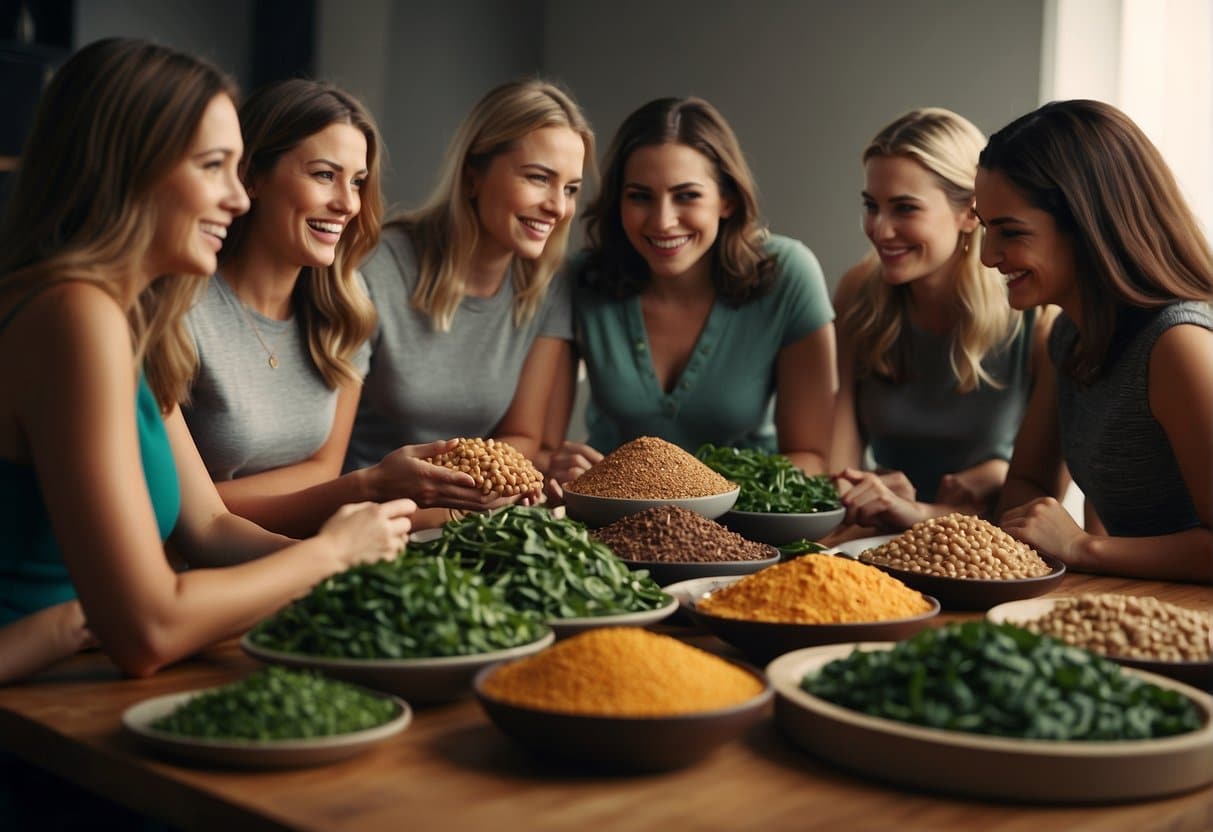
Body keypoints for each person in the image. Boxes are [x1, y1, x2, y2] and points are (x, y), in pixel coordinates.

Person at [0, 38, 415, 681]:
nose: (239, 198)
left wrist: (364, 567)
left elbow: (210, 526)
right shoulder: (73, 315)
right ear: (129, 167)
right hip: (40, 716)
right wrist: (327, 558)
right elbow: (148, 630)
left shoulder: (126, 313)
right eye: (214, 166)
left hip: (75, 674)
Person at [183, 80, 501, 538]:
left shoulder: (345, 304)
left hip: (322, 555)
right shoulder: (184, 308)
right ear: (252, 175)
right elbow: (184, 510)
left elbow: (323, 468)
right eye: (323, 175)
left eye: (357, 182)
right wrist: (368, 487)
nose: (347, 203)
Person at [978, 100, 1213, 582]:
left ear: (1088, 227)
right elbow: (1029, 482)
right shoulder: (1066, 335)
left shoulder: (1178, 345)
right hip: (1137, 607)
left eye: (1010, 232)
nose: (986, 256)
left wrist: (1085, 547)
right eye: (984, 228)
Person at [548, 96, 836, 489]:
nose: (663, 221)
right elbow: (546, 448)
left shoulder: (788, 274)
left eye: (687, 195)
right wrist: (564, 467)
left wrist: (699, 493)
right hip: (611, 518)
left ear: (727, 200)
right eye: (640, 196)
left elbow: (813, 456)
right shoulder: (582, 280)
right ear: (618, 202)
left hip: (750, 521)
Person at [344, 79, 592, 524]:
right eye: (538, 178)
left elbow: (522, 436)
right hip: (366, 520)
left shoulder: (549, 284)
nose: (558, 206)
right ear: (473, 176)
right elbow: (326, 459)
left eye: (571, 188)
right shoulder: (375, 266)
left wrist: (459, 504)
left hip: (467, 521)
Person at [827, 108, 1055, 537]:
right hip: (874, 537)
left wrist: (926, 511)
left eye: (905, 209)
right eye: (871, 207)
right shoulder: (858, 291)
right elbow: (838, 469)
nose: (880, 229)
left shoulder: (1037, 316)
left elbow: (1033, 511)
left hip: (988, 547)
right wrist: (856, 491)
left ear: (972, 213)